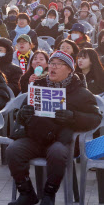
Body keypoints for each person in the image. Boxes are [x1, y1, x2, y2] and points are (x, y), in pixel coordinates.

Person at [7, 50, 101, 205]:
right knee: (13, 150)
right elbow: (20, 116)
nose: (53, 67)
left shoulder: (81, 92)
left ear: (70, 69)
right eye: (51, 63)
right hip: (34, 138)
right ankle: (26, 193)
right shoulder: (38, 85)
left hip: (61, 140)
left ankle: (49, 195)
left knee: (57, 152)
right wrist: (24, 113)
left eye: (58, 64)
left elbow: (95, 118)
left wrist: (73, 116)